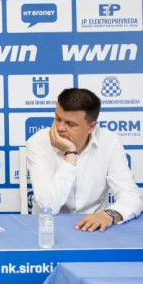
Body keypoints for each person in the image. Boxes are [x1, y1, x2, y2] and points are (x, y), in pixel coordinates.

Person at [27, 88, 141, 232]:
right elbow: (47, 206)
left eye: (70, 124)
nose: (60, 128)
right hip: (49, 229)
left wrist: (109, 215)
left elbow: (131, 196)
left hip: (95, 230)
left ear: (91, 127)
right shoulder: (38, 143)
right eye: (58, 119)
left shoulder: (109, 142)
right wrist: (70, 154)